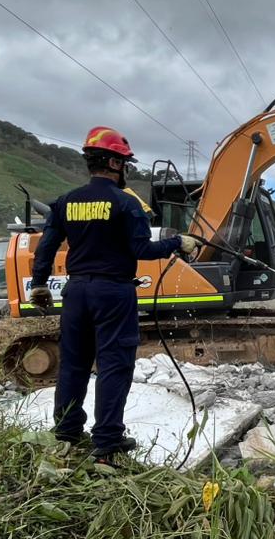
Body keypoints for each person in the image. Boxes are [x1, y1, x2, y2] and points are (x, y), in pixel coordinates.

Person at [29, 126, 195, 460]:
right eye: (125, 164)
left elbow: (46, 246)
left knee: (73, 364)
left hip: (75, 292)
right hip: (113, 293)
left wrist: (39, 284)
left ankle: (66, 432)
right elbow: (141, 250)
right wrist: (178, 242)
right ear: (116, 164)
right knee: (114, 365)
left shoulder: (66, 202)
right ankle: (107, 441)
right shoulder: (125, 203)